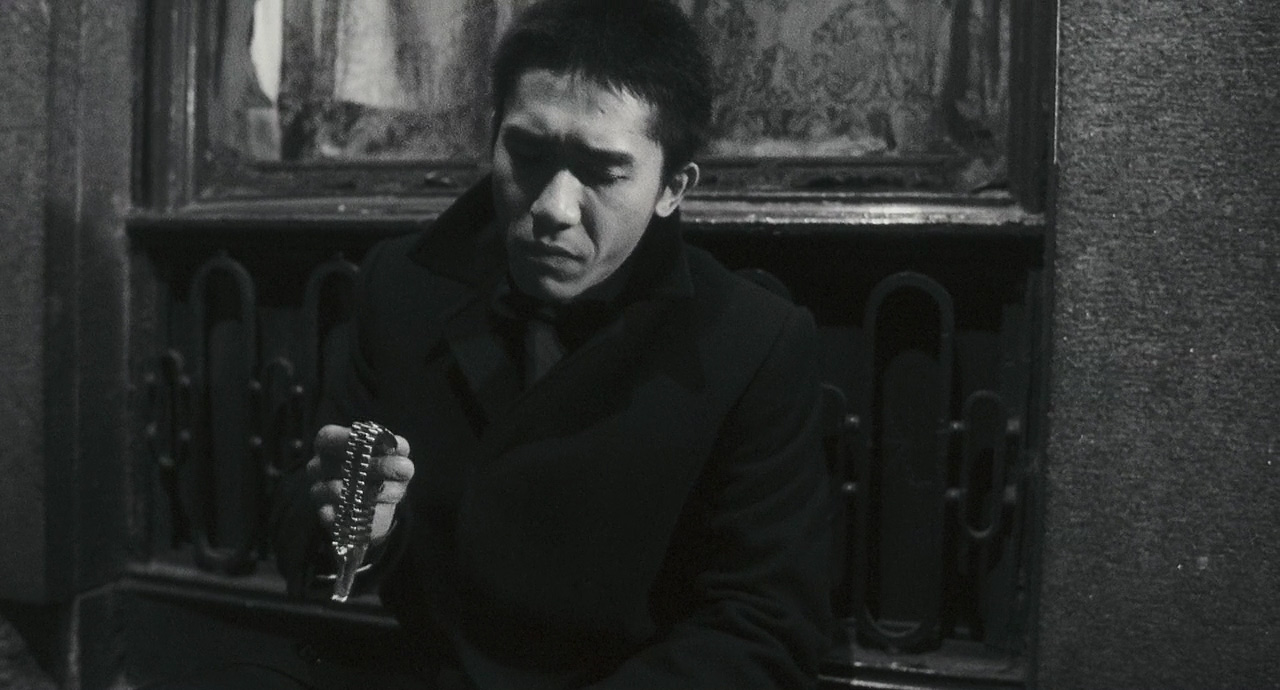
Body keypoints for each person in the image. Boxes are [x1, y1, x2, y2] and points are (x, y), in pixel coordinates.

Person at [272, 0, 834, 687]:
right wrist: (355, 531)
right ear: (493, 139)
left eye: (602, 171)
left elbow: (765, 626)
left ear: (672, 187)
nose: (552, 209)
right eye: (528, 155)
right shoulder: (402, 286)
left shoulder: (754, 343)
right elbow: (308, 539)